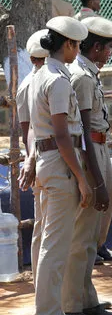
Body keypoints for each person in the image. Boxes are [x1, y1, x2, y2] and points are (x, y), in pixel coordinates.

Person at [22, 16, 92, 315]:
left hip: (47, 161)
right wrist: (81, 178)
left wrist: (33, 160)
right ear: (68, 44)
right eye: (76, 45)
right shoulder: (59, 80)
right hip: (61, 163)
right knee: (55, 246)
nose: (77, 51)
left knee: (47, 243)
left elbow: (37, 129)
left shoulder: (39, 75)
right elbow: (63, 135)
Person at [60, 16, 112, 315]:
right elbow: (84, 130)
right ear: (96, 47)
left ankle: (86, 297)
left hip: (99, 150)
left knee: (91, 236)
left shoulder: (89, 73)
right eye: (109, 47)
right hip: (90, 155)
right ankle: (73, 304)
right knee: (81, 236)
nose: (111, 52)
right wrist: (96, 180)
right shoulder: (82, 77)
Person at [16, 30, 48, 292]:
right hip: (40, 160)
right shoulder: (32, 84)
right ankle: (43, 288)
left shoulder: (31, 81)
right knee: (44, 228)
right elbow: (29, 131)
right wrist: (31, 161)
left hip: (39, 159)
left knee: (43, 226)